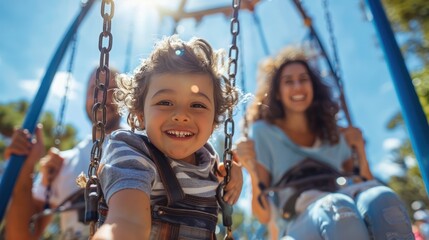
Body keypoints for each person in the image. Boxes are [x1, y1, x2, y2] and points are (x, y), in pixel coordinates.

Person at [235, 46, 413, 239]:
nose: (297, 87)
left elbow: (364, 182)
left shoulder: (331, 132)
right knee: (337, 209)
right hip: (298, 218)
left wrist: (359, 150)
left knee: (383, 199)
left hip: (345, 197)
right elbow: (263, 215)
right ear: (277, 93)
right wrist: (251, 169)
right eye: (288, 82)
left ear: (313, 87)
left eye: (303, 79)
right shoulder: (264, 132)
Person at [92, 35, 243, 239]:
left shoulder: (212, 164)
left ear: (214, 122)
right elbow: (128, 221)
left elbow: (226, 174)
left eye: (197, 105)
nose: (181, 115)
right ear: (140, 115)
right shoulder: (132, 154)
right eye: (165, 102)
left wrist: (233, 175)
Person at [4, 67, 121, 240]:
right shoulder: (62, 162)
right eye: (95, 89)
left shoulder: (144, 146)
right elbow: (21, 236)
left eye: (112, 90)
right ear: (85, 98)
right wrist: (26, 167)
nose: (103, 97)